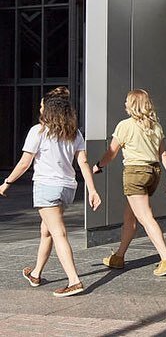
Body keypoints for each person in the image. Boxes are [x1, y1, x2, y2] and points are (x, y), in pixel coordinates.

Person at [0, 87, 102, 297]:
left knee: (58, 233)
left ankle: (74, 281)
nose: (39, 108)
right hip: (67, 188)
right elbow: (82, 162)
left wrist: (6, 182)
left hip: (47, 187)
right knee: (46, 230)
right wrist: (92, 190)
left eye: (42, 105)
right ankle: (36, 273)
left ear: (49, 110)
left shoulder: (38, 131)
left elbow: (24, 163)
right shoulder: (75, 133)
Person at [92, 89, 166, 276]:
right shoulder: (155, 126)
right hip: (153, 173)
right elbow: (163, 154)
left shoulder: (125, 125)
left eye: (127, 101)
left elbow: (111, 152)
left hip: (135, 173)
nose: (124, 104)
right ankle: (118, 256)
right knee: (130, 217)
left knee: (145, 217)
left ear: (133, 104)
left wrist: (98, 165)